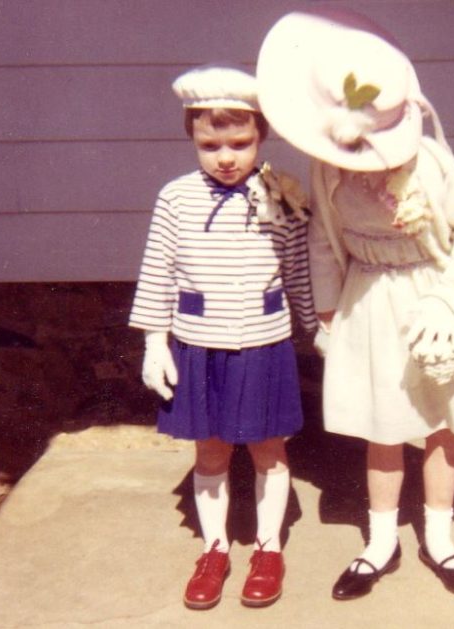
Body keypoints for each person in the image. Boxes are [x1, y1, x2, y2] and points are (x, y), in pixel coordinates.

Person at [257, 10, 454, 600]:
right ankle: (378, 542)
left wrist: (450, 299)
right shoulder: (329, 171)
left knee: (443, 423)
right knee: (382, 425)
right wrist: (324, 312)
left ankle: (440, 538)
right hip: (369, 299)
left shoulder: (435, 165)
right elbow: (323, 239)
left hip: (433, 299)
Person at [129, 64, 316, 610]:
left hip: (263, 343)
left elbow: (297, 266)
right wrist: (153, 342)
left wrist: (316, 325)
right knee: (209, 450)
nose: (226, 156)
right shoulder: (176, 198)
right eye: (211, 144)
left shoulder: (281, 194)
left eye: (240, 142)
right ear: (192, 138)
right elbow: (157, 269)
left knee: (268, 447)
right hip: (199, 344)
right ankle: (214, 549)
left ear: (261, 136)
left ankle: (268, 546)